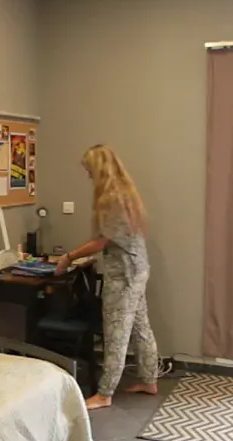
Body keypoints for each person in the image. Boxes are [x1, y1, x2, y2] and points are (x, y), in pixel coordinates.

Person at [54, 145, 157, 410]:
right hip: (138, 269)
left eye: (89, 169)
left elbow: (101, 242)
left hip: (124, 276)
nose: (87, 174)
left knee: (116, 332)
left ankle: (105, 393)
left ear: (98, 169)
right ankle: (149, 380)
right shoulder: (125, 193)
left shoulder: (111, 199)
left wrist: (69, 257)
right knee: (140, 327)